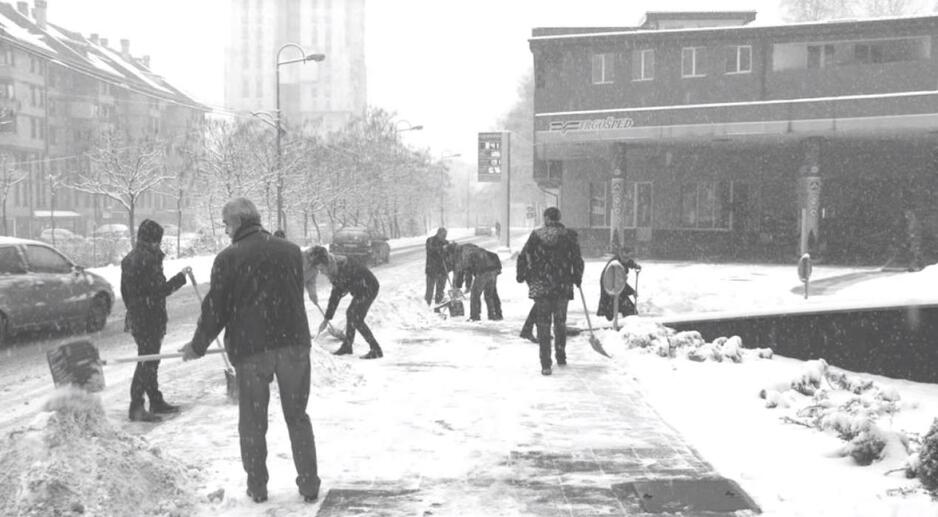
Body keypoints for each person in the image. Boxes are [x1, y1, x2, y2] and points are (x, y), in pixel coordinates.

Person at [180, 198, 319, 504]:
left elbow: (215, 309)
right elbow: (293, 295)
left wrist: (197, 346)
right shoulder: (291, 251)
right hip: (294, 344)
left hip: (252, 349)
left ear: (239, 222)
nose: (225, 230)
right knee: (297, 416)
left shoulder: (228, 258)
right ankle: (309, 484)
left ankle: (257, 486)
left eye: (226, 224)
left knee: (253, 421)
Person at [121, 219, 188, 422]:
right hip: (150, 318)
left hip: (138, 317)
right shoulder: (148, 259)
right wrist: (181, 277)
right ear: (153, 239)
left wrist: (135, 310)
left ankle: (155, 400)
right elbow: (160, 290)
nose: (159, 243)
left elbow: (125, 292)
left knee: (149, 359)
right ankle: (136, 406)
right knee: (147, 361)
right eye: (158, 239)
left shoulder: (130, 258)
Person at [516, 207, 584, 376]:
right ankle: (560, 355)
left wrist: (521, 274)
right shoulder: (568, 235)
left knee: (543, 323)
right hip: (562, 284)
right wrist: (577, 277)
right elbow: (577, 259)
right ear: (559, 218)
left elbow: (523, 256)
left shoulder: (536, 235)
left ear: (546, 218)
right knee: (560, 322)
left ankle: (545, 363)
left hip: (541, 285)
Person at [309, 245, 383, 359]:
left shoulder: (343, 268)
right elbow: (335, 295)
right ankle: (348, 346)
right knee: (351, 314)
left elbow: (337, 294)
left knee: (356, 318)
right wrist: (327, 318)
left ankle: (376, 349)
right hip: (360, 289)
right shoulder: (334, 268)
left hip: (369, 287)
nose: (321, 272)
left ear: (326, 263)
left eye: (322, 269)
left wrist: (327, 318)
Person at [451, 243, 502, 321]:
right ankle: (494, 314)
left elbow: (465, 270)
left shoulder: (463, 253)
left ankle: (475, 316)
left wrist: (460, 285)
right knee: (490, 294)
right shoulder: (471, 248)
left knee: (475, 294)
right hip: (494, 267)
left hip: (483, 270)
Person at [596, 248, 641, 320]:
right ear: (620, 254)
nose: (627, 259)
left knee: (611, 309)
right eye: (625, 257)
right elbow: (619, 283)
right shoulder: (616, 266)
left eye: (628, 257)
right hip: (610, 288)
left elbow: (627, 262)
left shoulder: (621, 260)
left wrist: (634, 265)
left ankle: (608, 318)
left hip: (615, 289)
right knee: (625, 309)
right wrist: (632, 292)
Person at [425, 228, 449, 306]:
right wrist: (442, 249)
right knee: (430, 289)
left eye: (445, 235)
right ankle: (427, 304)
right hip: (432, 269)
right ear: (438, 234)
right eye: (443, 235)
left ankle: (438, 305)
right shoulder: (430, 240)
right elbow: (431, 251)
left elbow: (448, 255)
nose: (444, 237)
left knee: (440, 289)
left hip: (442, 270)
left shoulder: (446, 243)